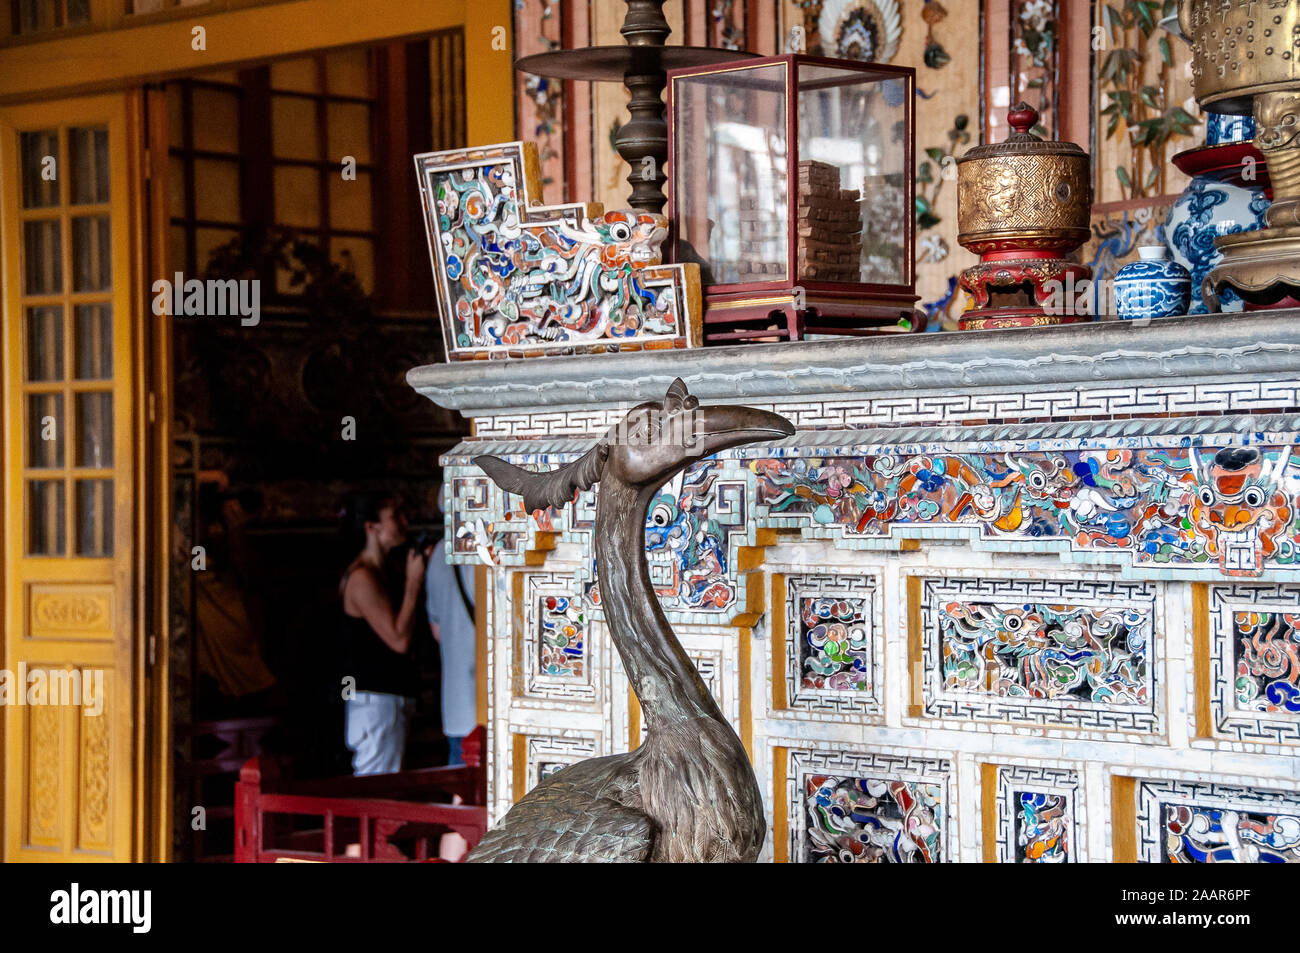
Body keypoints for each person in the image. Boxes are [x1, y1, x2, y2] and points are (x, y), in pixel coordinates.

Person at [338, 491, 426, 775]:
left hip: (388, 699)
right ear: (371, 527)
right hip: (376, 703)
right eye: (394, 517)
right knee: (379, 793)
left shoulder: (383, 571)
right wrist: (414, 582)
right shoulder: (362, 577)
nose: (404, 522)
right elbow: (398, 640)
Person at [425, 534, 477, 766]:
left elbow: (436, 632)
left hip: (457, 704)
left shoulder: (439, 551)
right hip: (494, 702)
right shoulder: (492, 543)